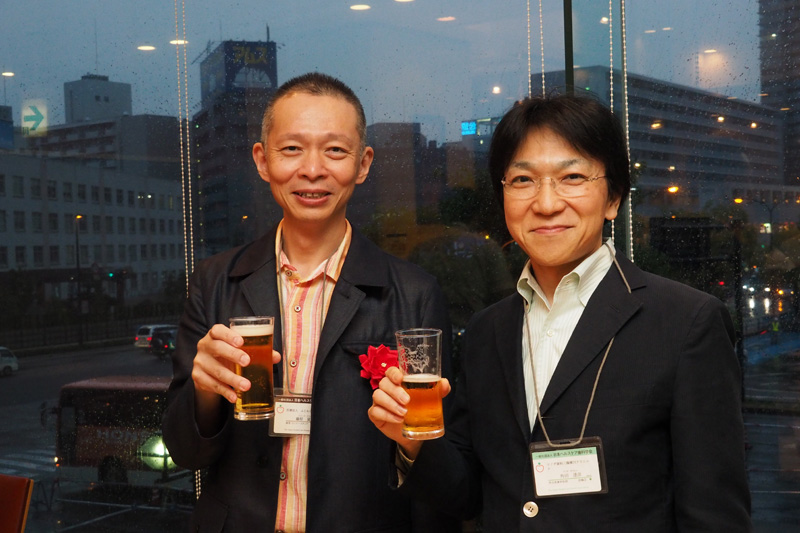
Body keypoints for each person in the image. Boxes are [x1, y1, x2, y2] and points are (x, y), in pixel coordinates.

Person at [369, 93, 751, 531]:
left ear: (613, 198)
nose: (546, 203)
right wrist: (412, 441)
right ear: (503, 196)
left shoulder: (687, 322)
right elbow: (468, 493)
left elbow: (714, 514)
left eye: (572, 177)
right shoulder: (487, 331)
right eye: (523, 180)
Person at [162, 72, 456, 532]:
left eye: (335, 150)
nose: (313, 170)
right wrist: (204, 392)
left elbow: (447, 474)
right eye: (292, 149)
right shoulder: (215, 282)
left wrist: (411, 439)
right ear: (262, 160)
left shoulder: (414, 293)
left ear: (363, 164)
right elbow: (185, 452)